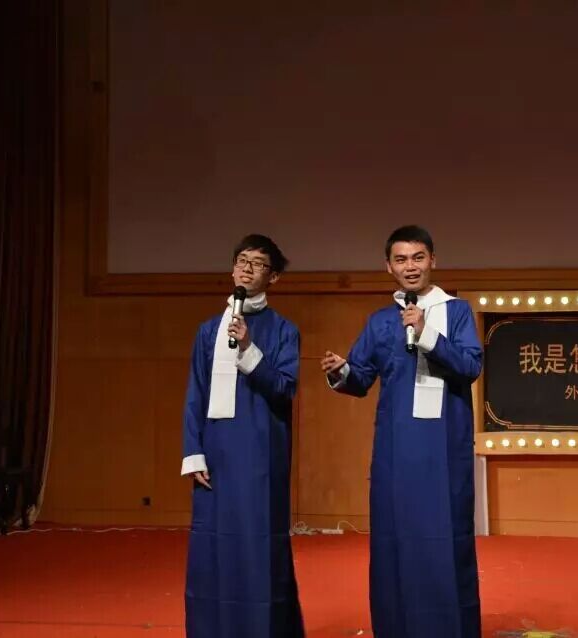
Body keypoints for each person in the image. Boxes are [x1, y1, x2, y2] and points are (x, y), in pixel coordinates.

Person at [321, 225, 483, 638]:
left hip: (444, 452)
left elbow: (470, 366)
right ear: (388, 267)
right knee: (395, 545)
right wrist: (341, 371)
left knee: (447, 542)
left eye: (417, 257)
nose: (410, 267)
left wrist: (426, 332)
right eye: (401, 259)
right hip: (396, 454)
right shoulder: (380, 322)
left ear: (433, 260)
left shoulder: (457, 312)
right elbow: (360, 378)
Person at [180, 234, 304, 637]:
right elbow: (195, 393)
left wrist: (249, 349)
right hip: (216, 454)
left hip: (260, 454)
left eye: (258, 264)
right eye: (242, 261)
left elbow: (284, 387)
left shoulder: (284, 330)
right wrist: (193, 451)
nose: (247, 269)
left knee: (257, 546)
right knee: (211, 548)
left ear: (274, 277)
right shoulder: (207, 330)